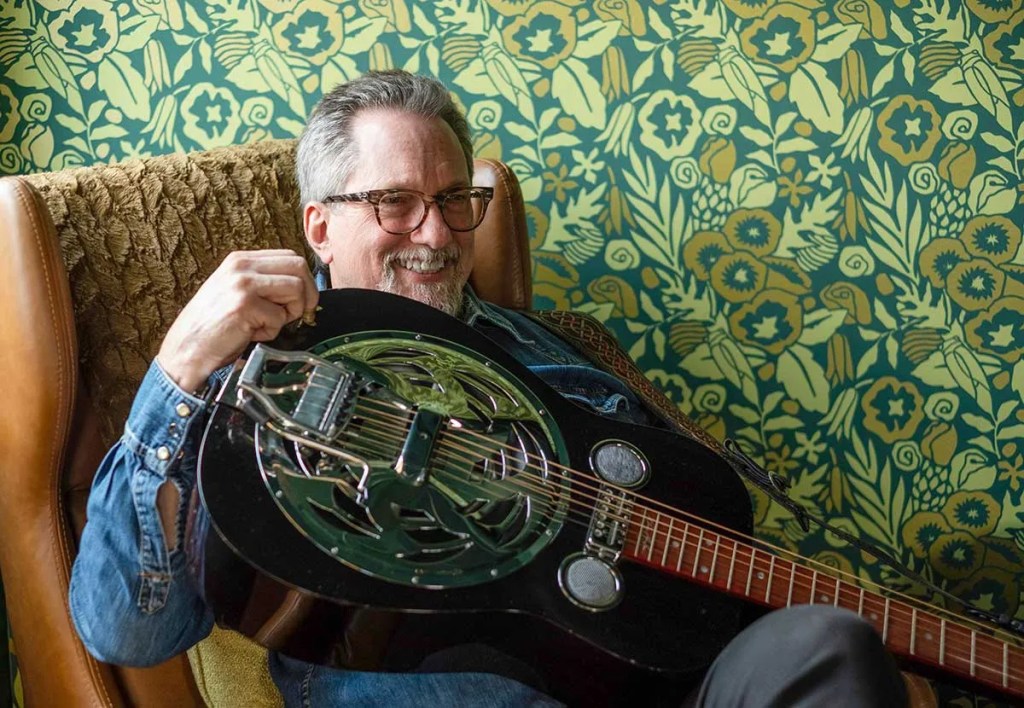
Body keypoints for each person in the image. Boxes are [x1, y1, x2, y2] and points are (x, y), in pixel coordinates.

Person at [69, 70, 907, 707]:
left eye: (454, 200)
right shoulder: (253, 380)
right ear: (320, 225)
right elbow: (128, 630)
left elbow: (688, 520)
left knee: (831, 643)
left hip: (662, 676)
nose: (434, 234)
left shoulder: (562, 347)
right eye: (395, 203)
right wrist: (175, 370)